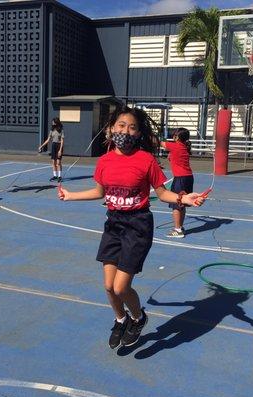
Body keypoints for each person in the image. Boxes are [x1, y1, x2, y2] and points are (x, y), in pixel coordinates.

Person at [58, 105, 206, 349]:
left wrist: (184, 198)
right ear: (111, 129)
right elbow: (99, 192)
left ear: (138, 134)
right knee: (108, 286)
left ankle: (138, 318)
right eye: (121, 126)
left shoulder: (145, 160)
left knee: (120, 286)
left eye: (132, 127)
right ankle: (120, 319)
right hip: (114, 224)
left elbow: (162, 192)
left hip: (137, 225)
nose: (126, 131)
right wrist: (70, 195)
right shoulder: (104, 161)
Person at [160, 127, 193, 238]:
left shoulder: (175, 146)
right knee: (182, 203)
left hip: (181, 179)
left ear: (177, 137)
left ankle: (177, 229)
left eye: (174, 135)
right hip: (187, 177)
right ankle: (180, 226)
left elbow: (159, 143)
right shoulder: (183, 147)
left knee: (176, 204)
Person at [38, 117, 64, 182]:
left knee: (58, 162)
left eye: (53, 122)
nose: (52, 123)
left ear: (56, 122)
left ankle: (59, 176)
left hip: (59, 145)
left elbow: (62, 140)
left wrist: (60, 150)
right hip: (53, 145)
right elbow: (48, 139)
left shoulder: (61, 130)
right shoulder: (51, 130)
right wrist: (41, 146)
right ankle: (55, 176)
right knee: (53, 162)